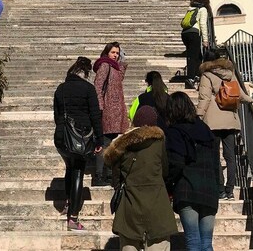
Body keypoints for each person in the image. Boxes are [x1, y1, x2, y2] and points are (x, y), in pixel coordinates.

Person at [104, 106, 178, 250]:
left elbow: (116, 179)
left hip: (129, 209)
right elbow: (165, 170)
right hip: (157, 206)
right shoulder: (160, 142)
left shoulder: (121, 146)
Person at [53, 57, 104, 231]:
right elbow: (95, 116)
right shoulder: (88, 89)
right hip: (81, 137)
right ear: (86, 72)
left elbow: (57, 115)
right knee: (78, 173)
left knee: (70, 167)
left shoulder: (60, 89)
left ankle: (68, 202)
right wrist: (99, 139)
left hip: (62, 137)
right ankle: (73, 217)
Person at [165, 91, 219, 251]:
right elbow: (216, 164)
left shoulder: (174, 132)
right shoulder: (206, 130)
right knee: (206, 243)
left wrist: (168, 185)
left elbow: (176, 163)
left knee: (193, 241)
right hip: (209, 190)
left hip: (187, 189)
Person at [196, 54, 253, 200]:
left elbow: (205, 98)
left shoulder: (207, 75)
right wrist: (250, 100)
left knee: (215, 156)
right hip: (230, 119)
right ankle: (230, 190)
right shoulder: (230, 74)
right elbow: (240, 94)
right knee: (230, 156)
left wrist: (199, 115)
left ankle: (220, 190)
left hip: (213, 122)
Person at [93, 41, 128, 186]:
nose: (115, 55)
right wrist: (101, 107)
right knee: (105, 143)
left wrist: (123, 63)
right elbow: (97, 87)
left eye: (117, 53)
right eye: (113, 52)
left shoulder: (115, 66)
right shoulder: (104, 65)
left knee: (111, 143)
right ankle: (99, 175)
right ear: (107, 52)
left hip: (116, 110)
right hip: (107, 110)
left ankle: (107, 174)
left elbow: (119, 79)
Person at [180, 0, 211, 88]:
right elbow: (202, 25)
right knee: (193, 57)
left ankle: (197, 75)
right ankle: (191, 79)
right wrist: (205, 40)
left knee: (197, 55)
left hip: (185, 33)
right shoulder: (203, 9)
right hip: (194, 33)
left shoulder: (191, 8)